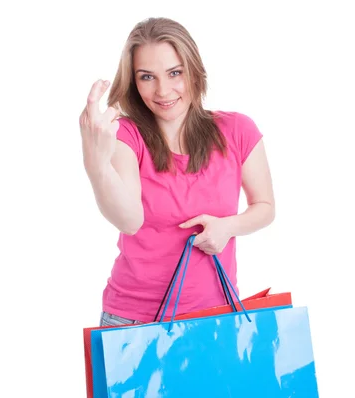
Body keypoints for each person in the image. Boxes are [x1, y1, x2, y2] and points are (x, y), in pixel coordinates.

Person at [78, 17, 275, 326]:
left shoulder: (237, 130)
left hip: (216, 318)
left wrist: (228, 227)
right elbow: (129, 221)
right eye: (147, 77)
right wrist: (95, 162)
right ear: (133, 82)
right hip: (133, 321)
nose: (163, 91)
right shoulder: (126, 135)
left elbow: (265, 207)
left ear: (193, 70)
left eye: (174, 73)